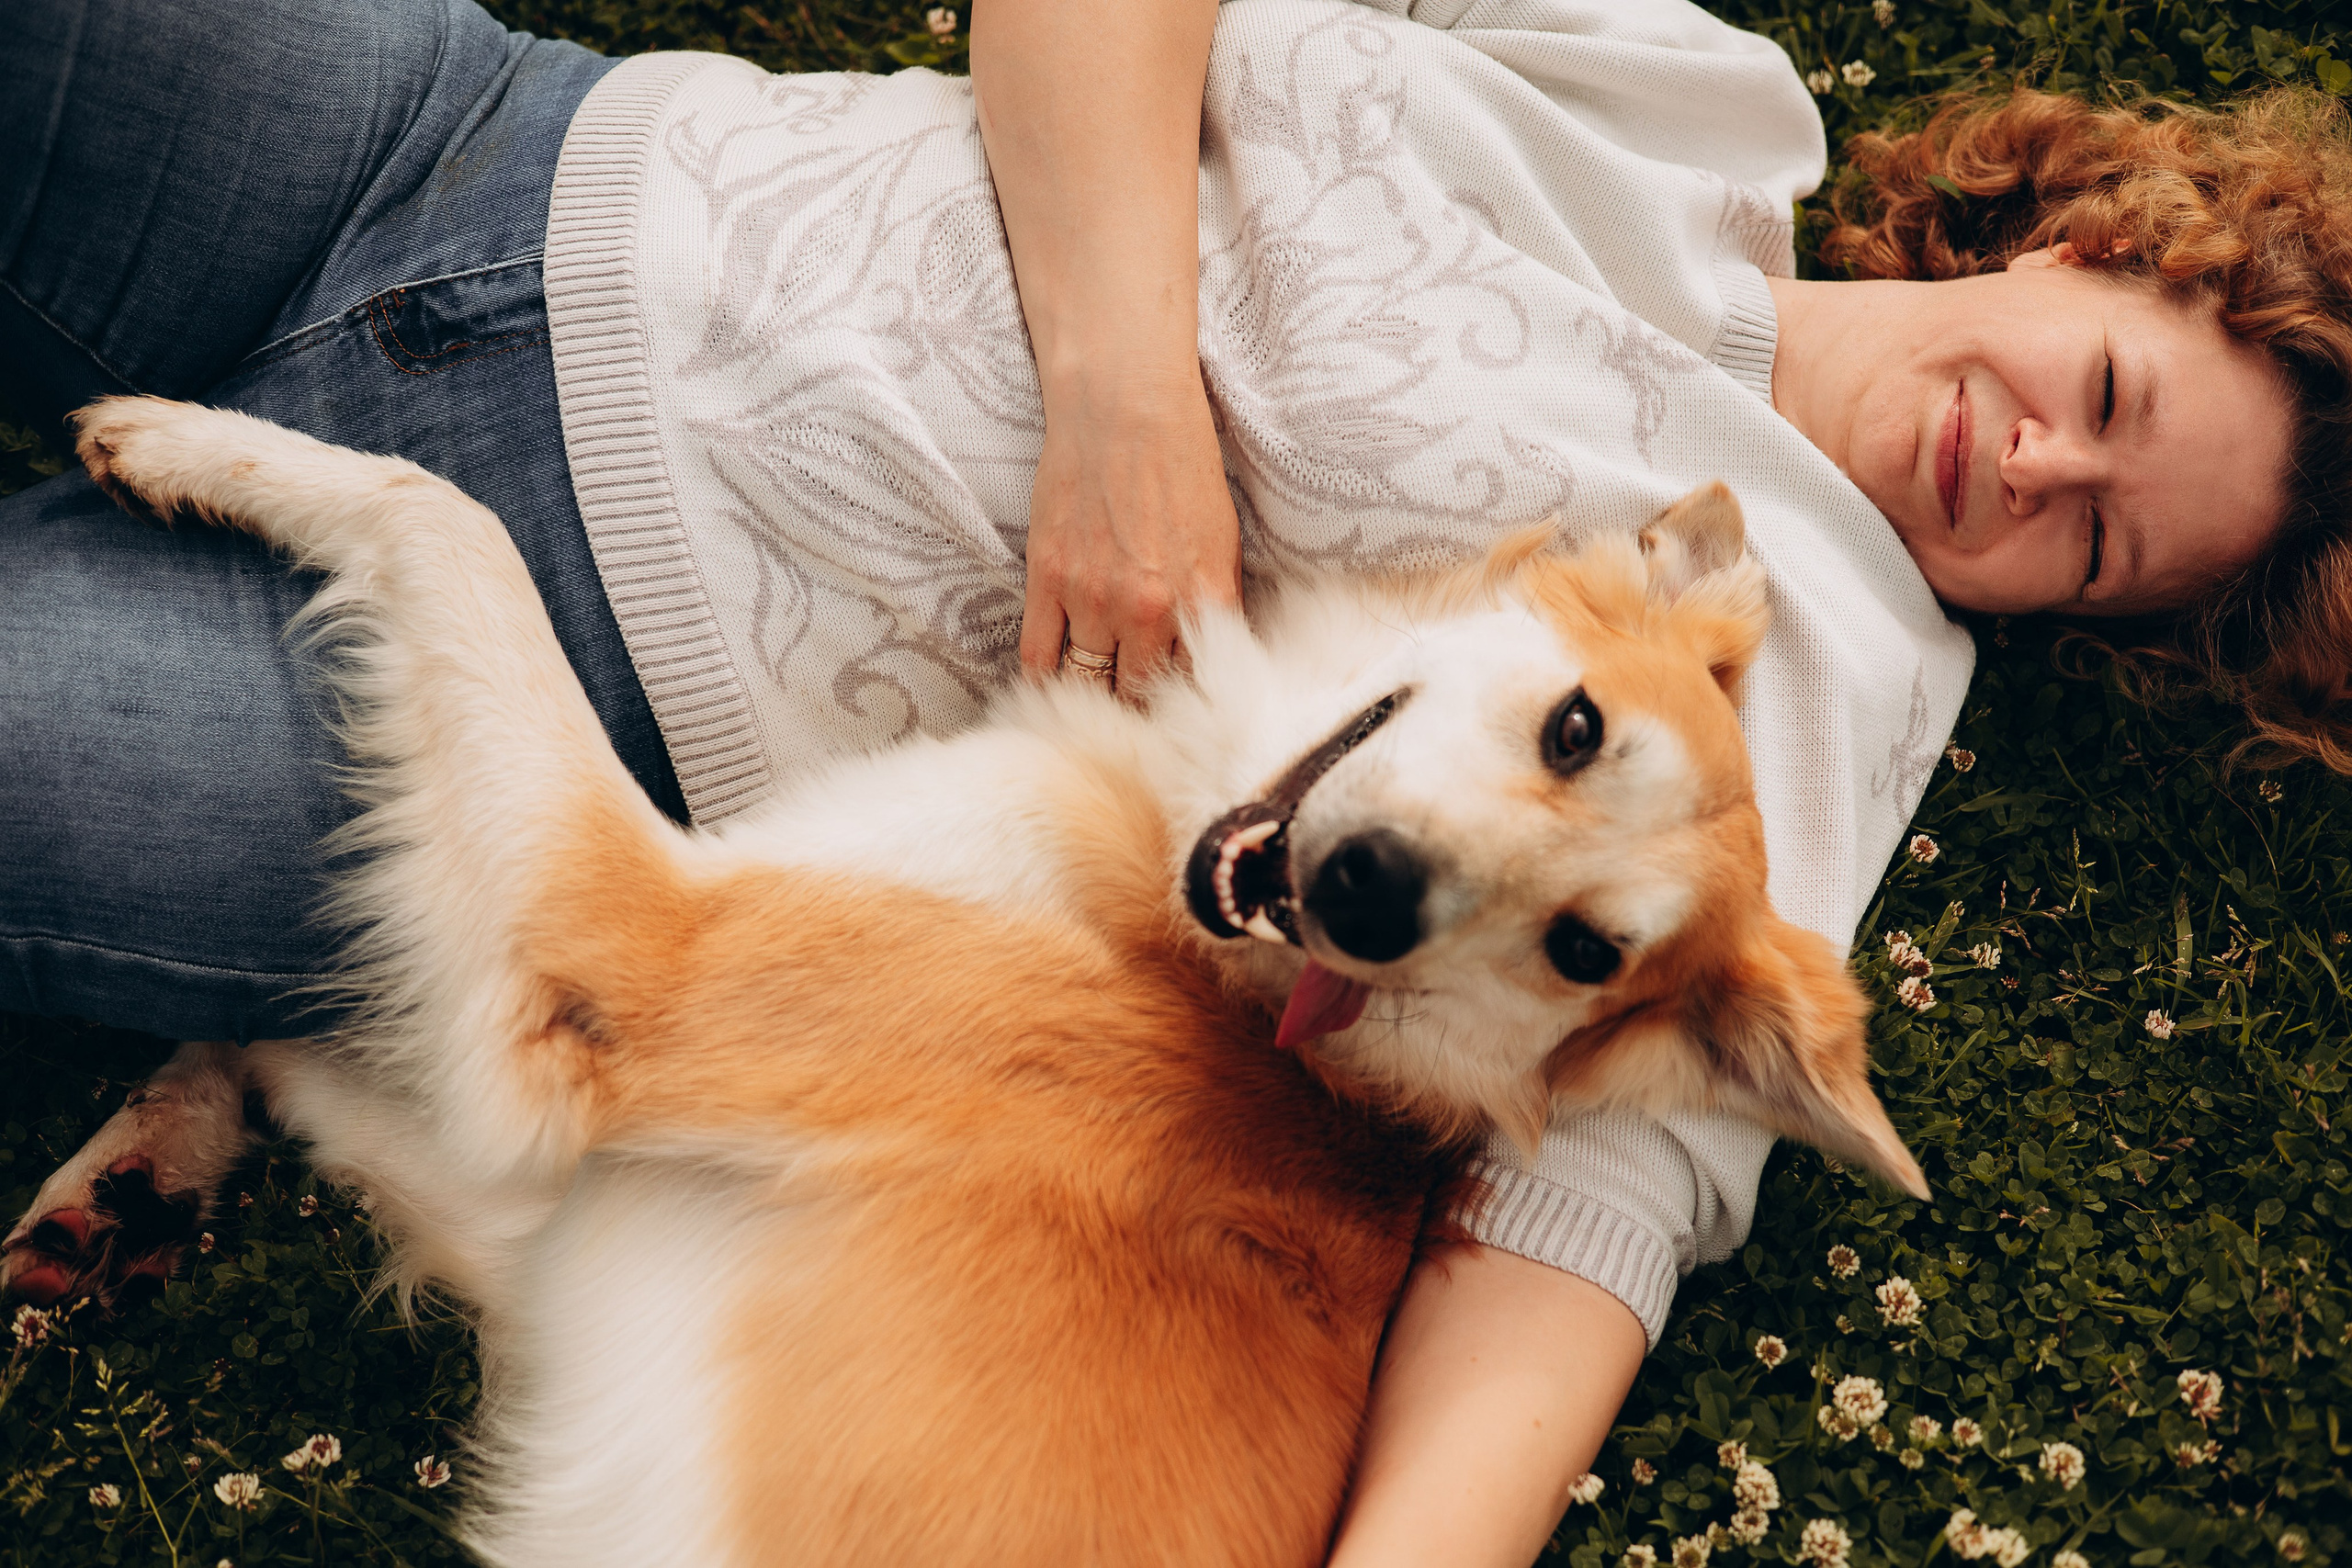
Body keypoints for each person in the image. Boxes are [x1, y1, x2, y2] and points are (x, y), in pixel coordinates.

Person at [1, 1, 2345, 1562]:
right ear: (2081, 248)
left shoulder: (1817, 675)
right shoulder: (1687, 99)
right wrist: (1122, 387)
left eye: (2097, 540)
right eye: (2102, 396)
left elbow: (1599, 1210)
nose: (2025, 463)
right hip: (534, 162)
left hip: (542, 704)